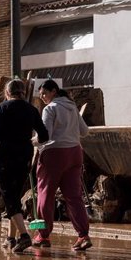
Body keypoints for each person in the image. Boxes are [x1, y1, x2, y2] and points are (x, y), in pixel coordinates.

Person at [0, 79, 49, 253]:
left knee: (9, 197)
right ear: (22, 92)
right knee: (13, 197)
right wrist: (31, 142)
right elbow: (44, 135)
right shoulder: (31, 110)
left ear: (7, 93)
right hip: (25, 157)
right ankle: (11, 238)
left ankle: (24, 235)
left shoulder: (3, 108)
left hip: (6, 157)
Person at [35, 79, 91, 251]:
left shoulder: (50, 109)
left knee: (45, 194)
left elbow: (46, 136)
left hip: (54, 155)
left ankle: (43, 235)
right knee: (74, 197)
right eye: (41, 95)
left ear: (54, 91)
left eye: (44, 93)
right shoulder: (73, 107)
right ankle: (83, 235)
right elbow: (85, 131)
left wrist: (33, 142)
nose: (43, 97)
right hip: (75, 153)